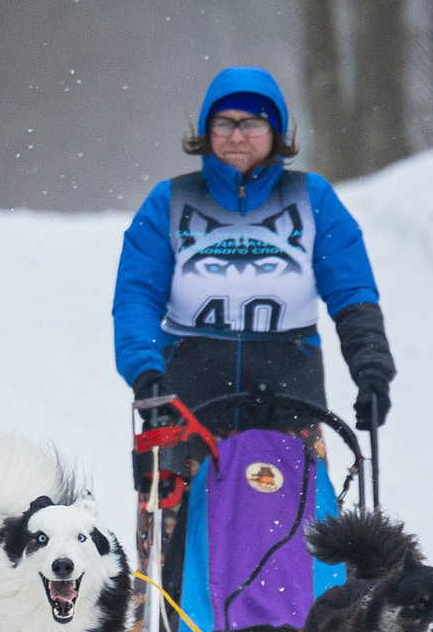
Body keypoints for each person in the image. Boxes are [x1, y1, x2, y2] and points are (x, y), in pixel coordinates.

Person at [110, 66, 394, 434]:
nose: (237, 136)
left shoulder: (313, 198)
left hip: (291, 397)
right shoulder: (169, 201)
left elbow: (352, 293)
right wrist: (145, 372)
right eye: (224, 123)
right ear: (206, 131)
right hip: (189, 403)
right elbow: (137, 296)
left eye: (253, 123)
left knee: (297, 477)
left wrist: (371, 371)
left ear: (275, 131)